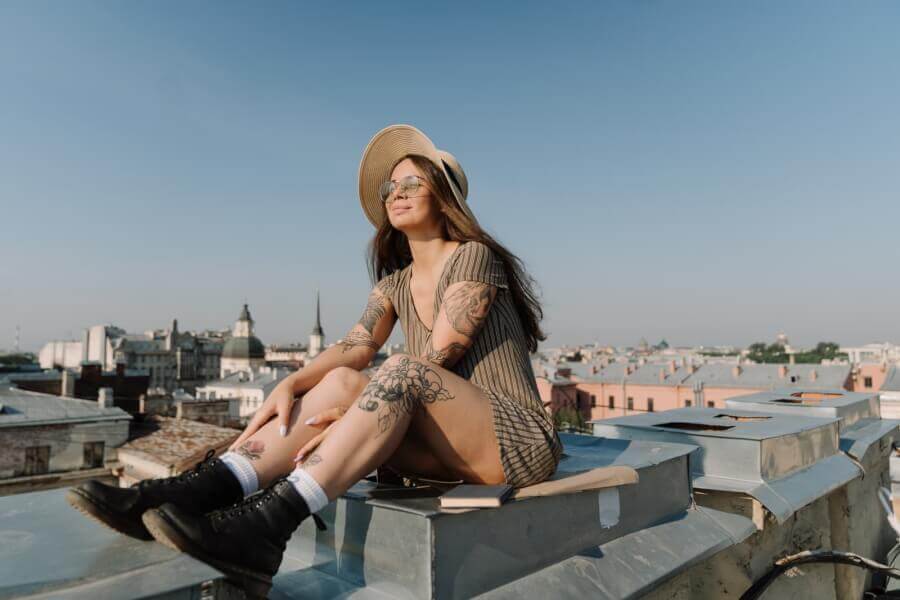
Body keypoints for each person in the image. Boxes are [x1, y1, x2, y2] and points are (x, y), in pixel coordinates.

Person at [66, 124, 562, 599]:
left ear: (444, 195)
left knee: (400, 371)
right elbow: (354, 346)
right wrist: (292, 384)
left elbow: (442, 353)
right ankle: (195, 493)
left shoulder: (473, 255)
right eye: (392, 185)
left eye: (414, 181)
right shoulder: (393, 284)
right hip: (447, 452)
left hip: (513, 440)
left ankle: (265, 528)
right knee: (345, 379)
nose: (397, 191)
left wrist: (358, 414)